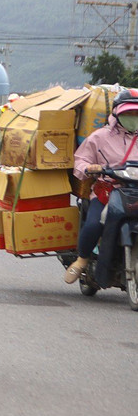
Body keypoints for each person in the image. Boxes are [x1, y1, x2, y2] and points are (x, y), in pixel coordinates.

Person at [63, 88, 138, 285]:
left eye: (137, 113)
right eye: (129, 112)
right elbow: (81, 160)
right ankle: (82, 260)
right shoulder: (100, 137)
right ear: (116, 113)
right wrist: (89, 168)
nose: (133, 117)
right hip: (108, 192)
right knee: (94, 224)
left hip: (136, 192)